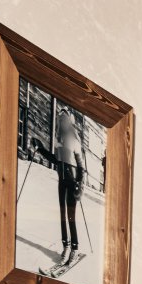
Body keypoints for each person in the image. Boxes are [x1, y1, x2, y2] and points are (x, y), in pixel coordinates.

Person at [52, 105, 84, 260]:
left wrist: (79, 184)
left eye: (64, 119)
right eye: (60, 119)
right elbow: (55, 160)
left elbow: (80, 166)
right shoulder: (57, 140)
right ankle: (65, 246)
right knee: (62, 216)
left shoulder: (74, 140)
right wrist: (40, 149)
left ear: (69, 121)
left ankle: (74, 248)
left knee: (71, 217)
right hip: (62, 183)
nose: (62, 121)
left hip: (72, 184)